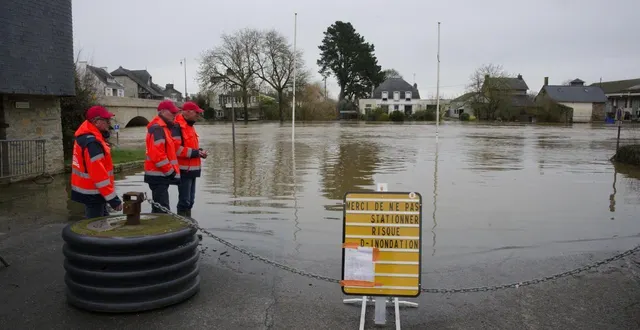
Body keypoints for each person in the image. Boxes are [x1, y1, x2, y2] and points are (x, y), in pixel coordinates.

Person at [70, 105, 123, 219]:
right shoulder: (92, 143)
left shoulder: (85, 137)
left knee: (101, 220)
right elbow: (99, 175)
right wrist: (113, 200)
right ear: (96, 121)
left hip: (90, 190)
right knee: (95, 225)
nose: (109, 123)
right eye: (106, 120)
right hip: (93, 192)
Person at [172, 101, 208, 217]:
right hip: (183, 170)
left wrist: (199, 152)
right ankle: (183, 224)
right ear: (187, 112)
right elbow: (177, 149)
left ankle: (188, 224)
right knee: (185, 201)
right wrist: (196, 153)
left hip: (192, 170)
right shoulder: (177, 127)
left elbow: (190, 147)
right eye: (196, 112)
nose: (198, 115)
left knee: (190, 201)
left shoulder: (189, 126)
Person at [144, 100, 181, 213]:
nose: (175, 115)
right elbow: (158, 155)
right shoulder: (158, 128)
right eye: (173, 112)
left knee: (159, 207)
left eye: (176, 113)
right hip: (158, 175)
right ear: (163, 112)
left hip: (159, 175)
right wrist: (171, 172)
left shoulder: (163, 128)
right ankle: (161, 229)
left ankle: (157, 227)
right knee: (162, 209)